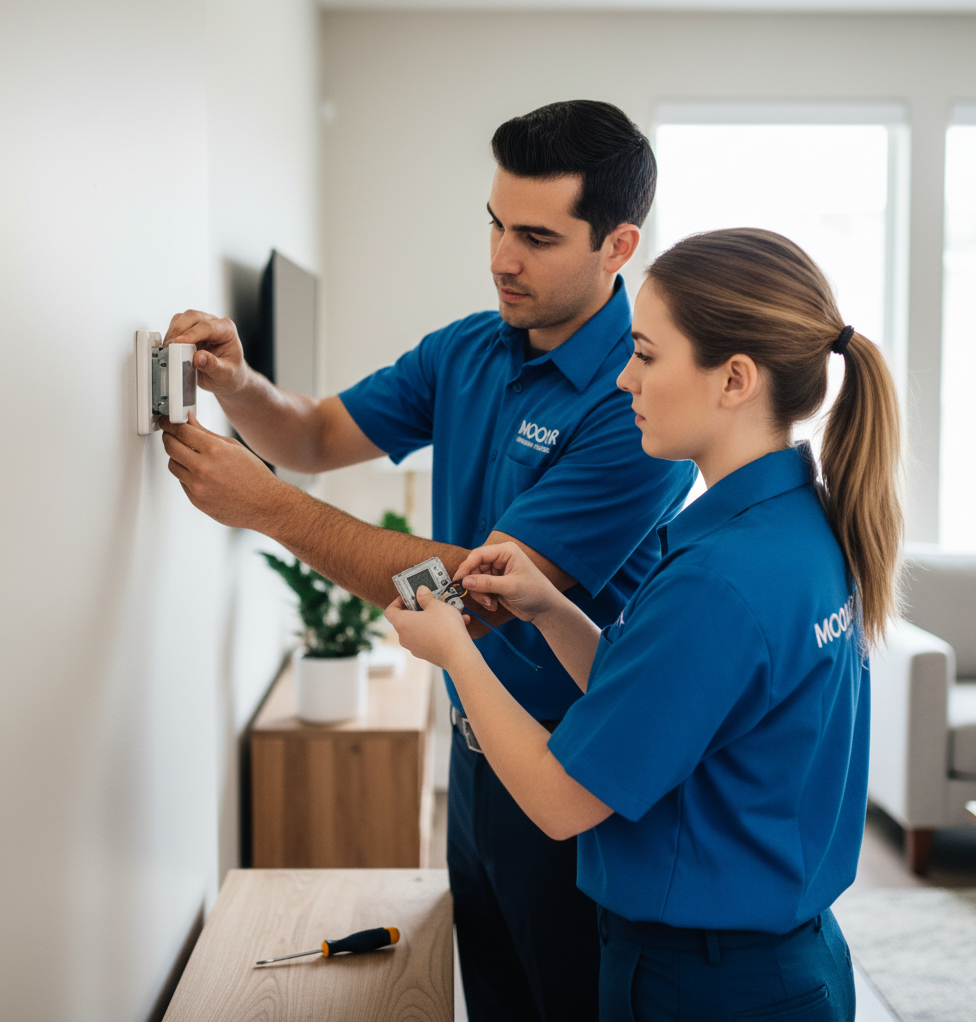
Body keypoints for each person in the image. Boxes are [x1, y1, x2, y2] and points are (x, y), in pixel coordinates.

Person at [157, 100, 698, 1021]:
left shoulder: (635, 403)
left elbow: (480, 597)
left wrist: (268, 507)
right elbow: (315, 434)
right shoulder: (468, 348)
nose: (501, 259)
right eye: (495, 224)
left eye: (536, 237)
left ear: (617, 246)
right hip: (474, 757)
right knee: (488, 997)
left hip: (571, 774)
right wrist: (239, 385)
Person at [386, 227, 904, 1022]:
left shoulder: (717, 581)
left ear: (734, 379)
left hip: (704, 986)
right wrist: (552, 609)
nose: (625, 378)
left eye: (647, 355)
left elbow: (561, 801)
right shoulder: (800, 526)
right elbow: (663, 710)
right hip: (787, 961)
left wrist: (456, 653)